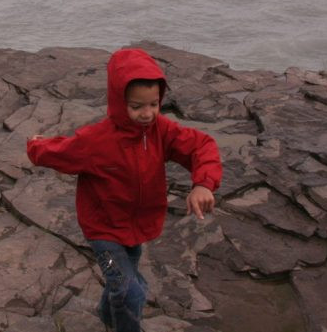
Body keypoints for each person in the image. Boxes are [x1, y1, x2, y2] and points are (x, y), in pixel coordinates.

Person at [27, 47, 222, 332]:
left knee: (122, 284)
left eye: (153, 104)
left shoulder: (161, 131)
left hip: (138, 227)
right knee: (131, 291)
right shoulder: (97, 140)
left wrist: (203, 183)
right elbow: (60, 151)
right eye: (136, 106)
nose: (147, 114)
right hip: (103, 231)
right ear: (119, 102)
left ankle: (108, 315)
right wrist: (35, 145)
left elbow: (201, 146)